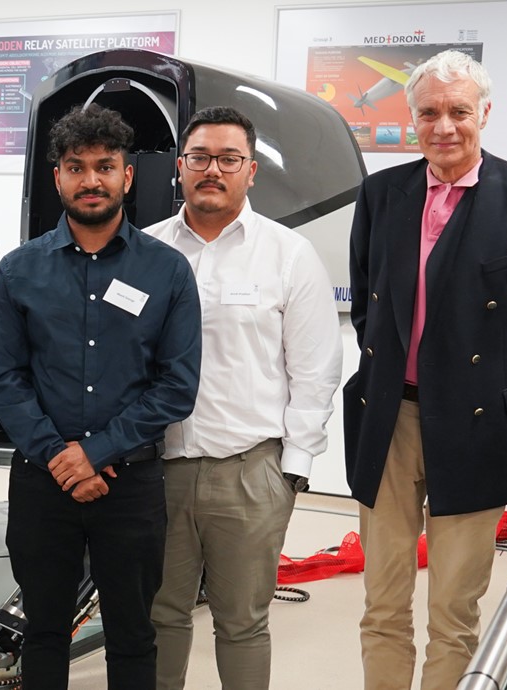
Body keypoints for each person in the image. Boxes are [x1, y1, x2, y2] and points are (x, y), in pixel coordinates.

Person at [344, 49, 507, 690]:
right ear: (412, 118)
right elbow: (368, 300)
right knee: (382, 603)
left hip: (474, 426)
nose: (443, 126)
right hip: (388, 420)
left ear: (485, 114)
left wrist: (500, 402)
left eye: (458, 112)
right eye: (429, 113)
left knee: (454, 609)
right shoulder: (381, 192)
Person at [0, 103, 201, 690]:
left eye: (105, 166)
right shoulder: (20, 269)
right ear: (57, 177)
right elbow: (5, 379)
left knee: (133, 634)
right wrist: (62, 457)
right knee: (44, 632)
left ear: (127, 176)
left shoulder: (168, 271)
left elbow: (176, 386)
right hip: (41, 483)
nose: (90, 180)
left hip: (131, 486)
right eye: (76, 167)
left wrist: (97, 451)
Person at [144, 106, 342, 690]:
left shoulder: (288, 254)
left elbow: (315, 368)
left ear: (250, 171)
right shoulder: (146, 251)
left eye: (228, 159)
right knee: (159, 617)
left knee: (243, 623)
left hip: (250, 472)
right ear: (180, 168)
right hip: (157, 470)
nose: (213, 169)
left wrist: (293, 470)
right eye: (200, 157)